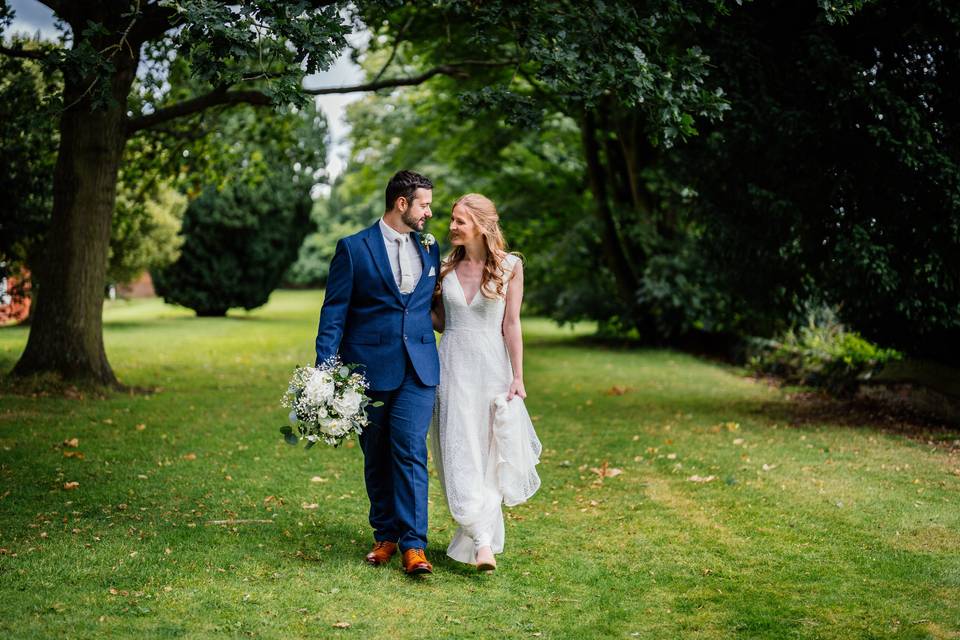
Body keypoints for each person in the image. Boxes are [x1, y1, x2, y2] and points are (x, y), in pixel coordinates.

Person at [314, 170, 440, 575]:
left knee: (409, 448)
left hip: (419, 367)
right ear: (401, 203)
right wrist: (325, 375)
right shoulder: (353, 249)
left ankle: (414, 545)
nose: (429, 212)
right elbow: (333, 314)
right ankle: (385, 535)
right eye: (424, 204)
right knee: (377, 454)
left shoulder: (429, 247)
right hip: (369, 369)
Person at [430, 193, 542, 572]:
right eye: (451, 219)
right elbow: (443, 323)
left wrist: (518, 377)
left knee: (492, 455)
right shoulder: (444, 268)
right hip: (453, 369)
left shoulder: (510, 266)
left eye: (459, 220)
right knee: (461, 449)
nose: (452, 226)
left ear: (481, 224)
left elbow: (511, 324)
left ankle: (479, 534)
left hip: (493, 370)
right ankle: (481, 541)